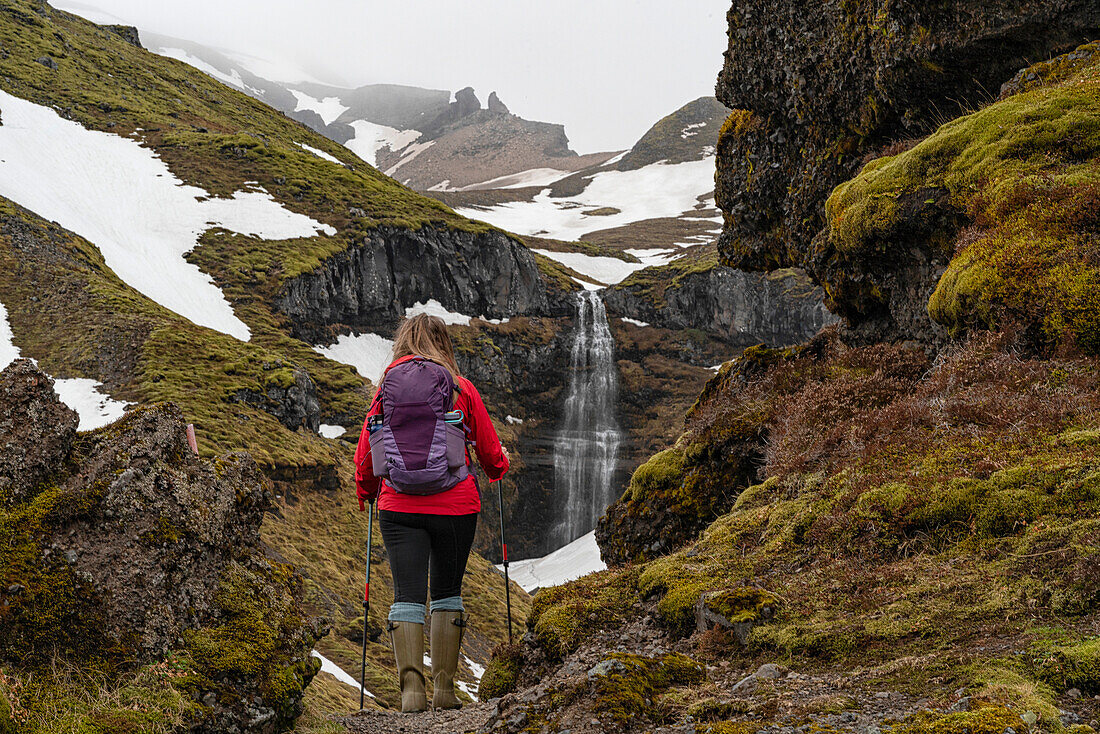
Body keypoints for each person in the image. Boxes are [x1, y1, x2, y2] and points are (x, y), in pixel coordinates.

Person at [353, 313, 509, 713]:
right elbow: (491, 454)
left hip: (398, 507)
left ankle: (410, 693)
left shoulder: (385, 390)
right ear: (445, 344)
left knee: (407, 595)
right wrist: (498, 467)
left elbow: (366, 454)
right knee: (446, 592)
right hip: (455, 507)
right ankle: (444, 690)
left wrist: (367, 493)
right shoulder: (461, 389)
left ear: (402, 342)